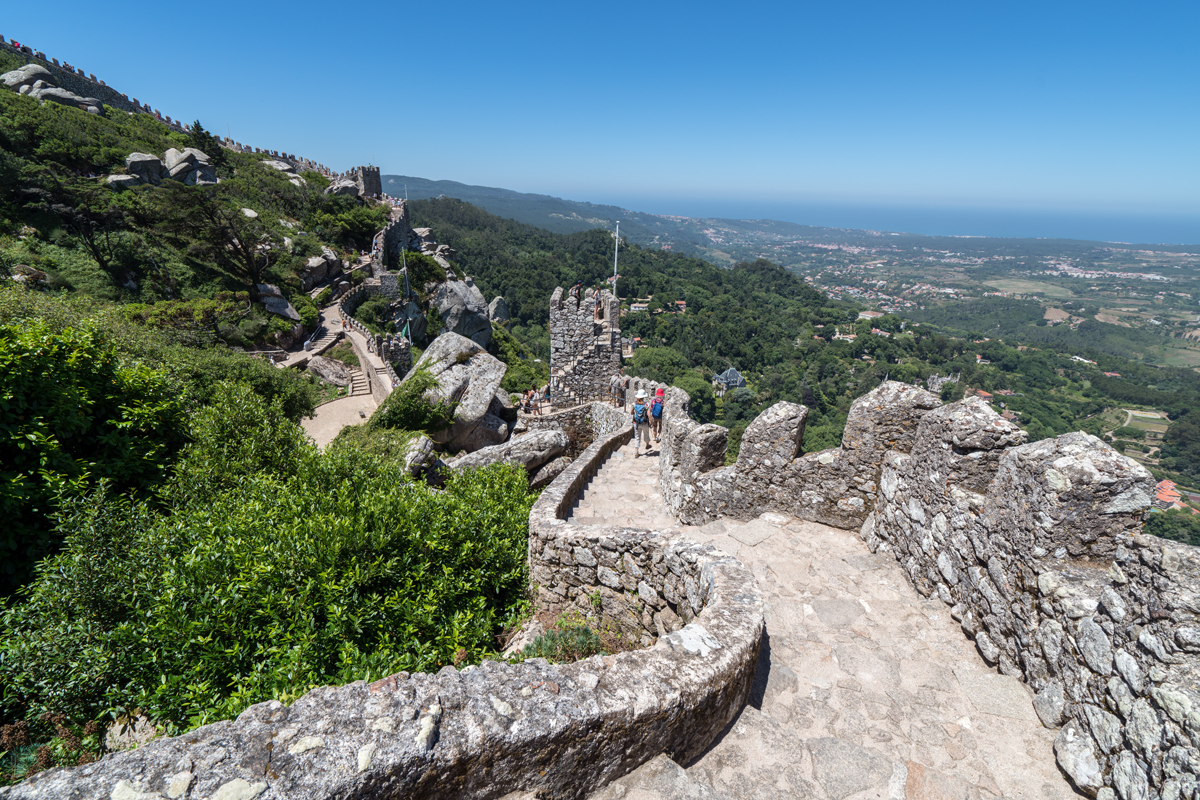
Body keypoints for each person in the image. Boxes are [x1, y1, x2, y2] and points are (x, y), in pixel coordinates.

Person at [631, 389, 651, 457]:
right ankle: (647, 444)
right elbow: (649, 415)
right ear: (644, 397)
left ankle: (636, 452)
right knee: (646, 434)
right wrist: (651, 422)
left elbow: (631, 413)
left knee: (637, 437)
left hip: (636, 423)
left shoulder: (633, 404)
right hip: (645, 423)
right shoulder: (646, 404)